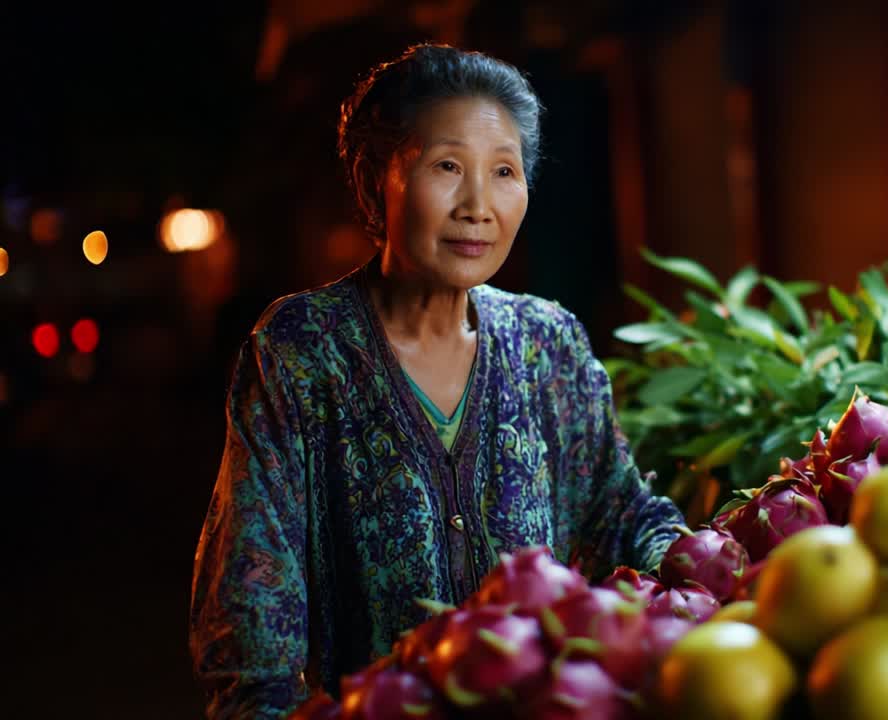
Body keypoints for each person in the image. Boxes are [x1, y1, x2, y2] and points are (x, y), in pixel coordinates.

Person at [189, 43, 682, 719]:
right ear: (373, 180)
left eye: (504, 171)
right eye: (448, 166)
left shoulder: (549, 343)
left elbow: (621, 515)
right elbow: (249, 615)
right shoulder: (303, 350)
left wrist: (706, 569)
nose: (478, 204)